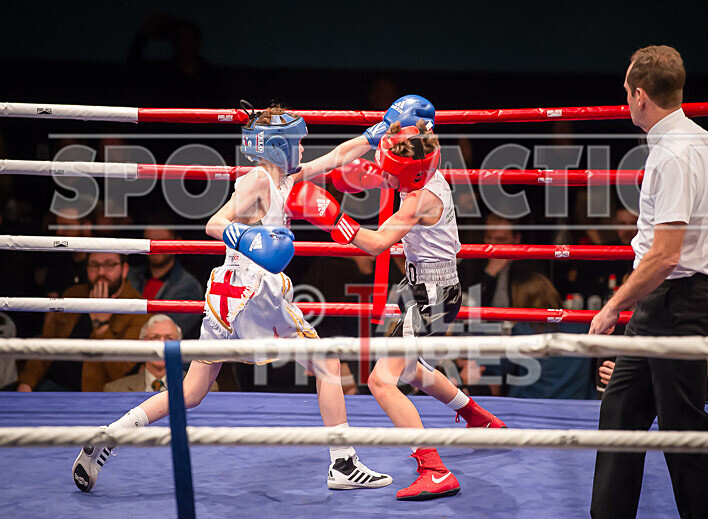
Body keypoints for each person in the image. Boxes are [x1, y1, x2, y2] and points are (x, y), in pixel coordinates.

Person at [72, 102, 390, 493]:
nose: (304, 148)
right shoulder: (257, 179)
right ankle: (343, 463)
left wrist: (378, 132)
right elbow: (214, 223)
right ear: (278, 146)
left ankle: (111, 433)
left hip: (226, 297)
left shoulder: (286, 177)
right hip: (256, 290)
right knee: (327, 362)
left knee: (191, 392)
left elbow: (336, 156)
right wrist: (251, 239)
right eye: (298, 142)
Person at [294, 115, 506, 501]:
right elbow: (382, 159)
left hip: (433, 295)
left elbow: (376, 244)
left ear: (409, 175)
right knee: (412, 369)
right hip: (422, 286)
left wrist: (333, 219)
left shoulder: (419, 201)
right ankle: (480, 418)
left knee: (381, 380)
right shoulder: (425, 168)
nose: (385, 178)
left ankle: (435, 470)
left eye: (392, 175)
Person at [588, 46, 708, 518]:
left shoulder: (670, 155)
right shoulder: (705, 140)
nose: (626, 102)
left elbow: (665, 254)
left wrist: (612, 306)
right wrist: (701, 260)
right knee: (621, 411)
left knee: (682, 425)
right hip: (674, 300)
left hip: (675, 301)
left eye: (627, 94)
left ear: (640, 96)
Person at [17, 252, 148, 392]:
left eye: (109, 264)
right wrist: (26, 383)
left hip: (95, 397)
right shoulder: (73, 295)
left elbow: (122, 373)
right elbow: (46, 344)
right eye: (94, 265)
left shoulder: (138, 309)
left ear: (124, 270)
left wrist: (101, 326)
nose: (101, 272)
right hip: (47, 386)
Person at [103, 314, 218, 392]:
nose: (162, 345)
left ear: (180, 345)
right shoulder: (115, 390)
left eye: (169, 339)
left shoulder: (205, 388)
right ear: (142, 344)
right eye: (154, 338)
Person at [128, 225, 204, 338]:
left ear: (177, 242)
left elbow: (167, 333)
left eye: (162, 241)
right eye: (150, 241)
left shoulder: (189, 286)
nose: (156, 246)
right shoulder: (130, 276)